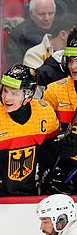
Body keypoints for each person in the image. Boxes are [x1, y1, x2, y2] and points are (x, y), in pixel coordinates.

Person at [0, 65, 61, 197]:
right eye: (5, 91)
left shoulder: (45, 113)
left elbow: (50, 150)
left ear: (29, 96)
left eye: (14, 93)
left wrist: (63, 150)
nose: (7, 98)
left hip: (27, 195)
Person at [41, 34, 77, 193]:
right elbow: (43, 136)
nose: (74, 67)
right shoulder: (54, 91)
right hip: (63, 168)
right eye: (70, 60)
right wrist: (57, 145)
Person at [7, 0, 57, 68]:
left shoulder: (61, 30)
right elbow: (16, 65)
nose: (47, 18)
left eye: (50, 13)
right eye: (42, 14)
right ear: (31, 14)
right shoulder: (18, 34)